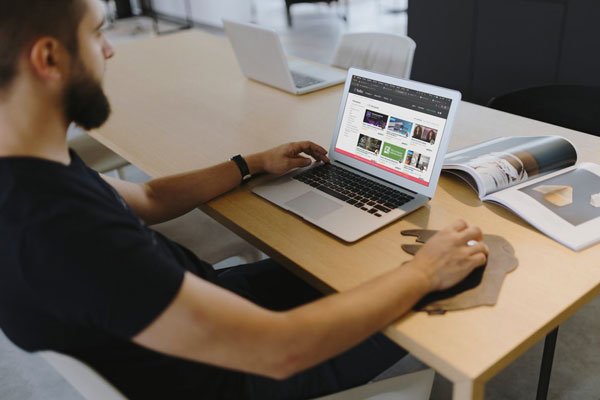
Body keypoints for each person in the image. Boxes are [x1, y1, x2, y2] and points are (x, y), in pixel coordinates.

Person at [0, 1, 489, 399]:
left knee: (358, 261)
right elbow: (282, 351)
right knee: (449, 282)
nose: (109, 50)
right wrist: (423, 274)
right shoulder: (62, 232)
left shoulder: (29, 165)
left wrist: (249, 164)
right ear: (49, 58)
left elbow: (147, 196)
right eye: (96, 33)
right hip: (246, 374)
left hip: (204, 312)